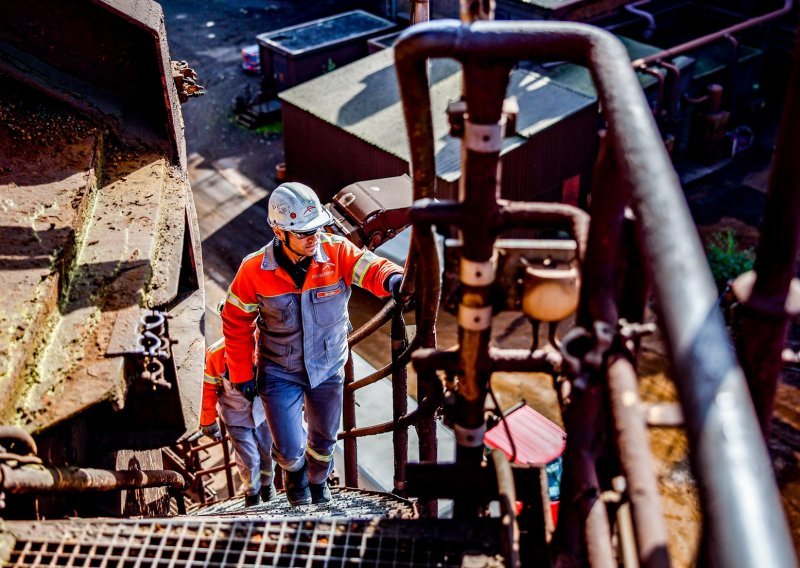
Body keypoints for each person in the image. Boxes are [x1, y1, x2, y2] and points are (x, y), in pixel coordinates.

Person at [221, 182, 403, 506]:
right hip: (279, 370)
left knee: (324, 442)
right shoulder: (253, 271)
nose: (314, 237)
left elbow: (370, 268)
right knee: (289, 449)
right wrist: (241, 374)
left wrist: (395, 279)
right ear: (279, 231)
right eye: (304, 232)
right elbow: (236, 323)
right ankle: (295, 479)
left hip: (328, 366)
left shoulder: (336, 252)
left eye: (317, 228)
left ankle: (318, 486)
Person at [198, 301, 275, 508]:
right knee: (249, 459)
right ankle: (252, 493)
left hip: (264, 414)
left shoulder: (265, 345)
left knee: (268, 453)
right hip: (236, 417)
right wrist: (207, 421)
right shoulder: (216, 355)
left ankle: (267, 488)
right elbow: (208, 389)